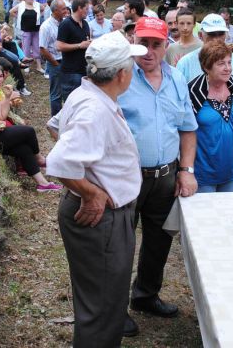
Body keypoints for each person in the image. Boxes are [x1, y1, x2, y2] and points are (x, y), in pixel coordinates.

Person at [48, 31, 147, 347]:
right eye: (131, 65)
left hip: (108, 217)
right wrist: (91, 191)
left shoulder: (89, 95)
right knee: (102, 306)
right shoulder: (95, 109)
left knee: (105, 298)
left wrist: (91, 170)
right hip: (101, 219)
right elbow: (60, 160)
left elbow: (55, 127)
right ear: (121, 74)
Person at [117, 16, 198, 332]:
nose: (148, 51)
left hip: (165, 176)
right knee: (121, 244)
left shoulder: (177, 79)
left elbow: (187, 129)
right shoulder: (120, 77)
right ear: (133, 41)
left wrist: (186, 170)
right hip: (126, 177)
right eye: (143, 43)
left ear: (167, 45)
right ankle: (115, 307)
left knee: (159, 240)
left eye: (156, 44)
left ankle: (145, 295)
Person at [0, 63, 61, 192]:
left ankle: (42, 183)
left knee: (24, 149)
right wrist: (7, 97)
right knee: (28, 131)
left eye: (1, 76)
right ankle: (39, 158)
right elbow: (0, 117)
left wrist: (6, 100)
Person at [188, 41, 233, 193]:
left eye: (229, 62)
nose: (228, 68)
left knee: (229, 214)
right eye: (221, 64)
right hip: (204, 171)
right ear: (207, 67)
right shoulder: (194, 90)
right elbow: (185, 130)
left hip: (231, 168)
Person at [176, 13, 233, 98]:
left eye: (220, 34)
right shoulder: (185, 63)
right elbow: (178, 99)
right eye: (211, 34)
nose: (216, 39)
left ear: (226, 35)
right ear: (201, 35)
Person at [56, 0, 92, 101]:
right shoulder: (66, 24)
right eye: (86, 9)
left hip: (84, 70)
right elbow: (59, 46)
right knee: (72, 103)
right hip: (71, 73)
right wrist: (79, 45)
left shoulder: (85, 24)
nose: (88, 12)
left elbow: (86, 42)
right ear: (79, 8)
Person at [40, 0, 68, 116]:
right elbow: (42, 48)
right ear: (55, 11)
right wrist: (55, 63)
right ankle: (56, 120)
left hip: (67, 61)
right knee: (56, 94)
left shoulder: (66, 22)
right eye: (63, 9)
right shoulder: (46, 27)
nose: (66, 11)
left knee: (67, 90)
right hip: (55, 62)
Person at [10, 0, 44, 74]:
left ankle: (39, 66)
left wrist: (40, 16)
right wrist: (18, 17)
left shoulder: (37, 4)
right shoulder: (21, 5)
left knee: (37, 47)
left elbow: (43, 8)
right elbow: (11, 11)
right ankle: (27, 65)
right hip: (26, 30)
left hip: (36, 30)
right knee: (26, 48)